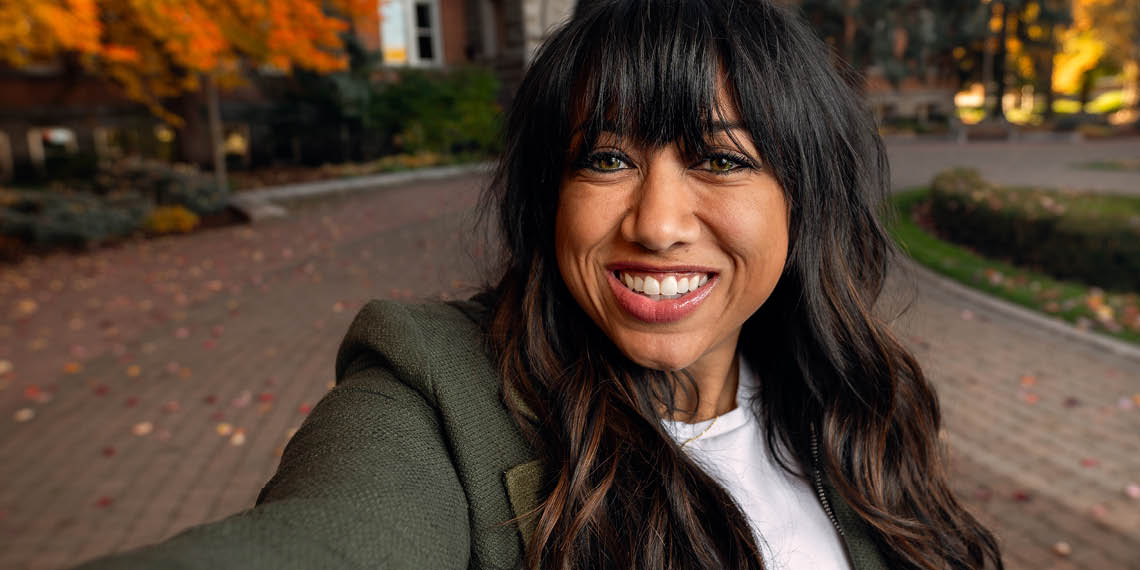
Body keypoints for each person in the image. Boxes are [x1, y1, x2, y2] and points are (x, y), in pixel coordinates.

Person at [77, 1, 1002, 569]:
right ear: (547, 197)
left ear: (805, 196)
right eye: (605, 157)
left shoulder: (852, 397)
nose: (655, 221)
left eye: (719, 158)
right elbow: (330, 537)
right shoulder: (433, 391)